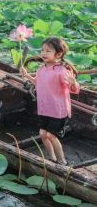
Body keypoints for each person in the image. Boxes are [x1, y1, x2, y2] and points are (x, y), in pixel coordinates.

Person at [20, 37, 79, 165]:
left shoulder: (61, 70)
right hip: (45, 108)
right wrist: (27, 76)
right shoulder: (42, 69)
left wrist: (74, 83)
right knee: (42, 134)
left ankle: (62, 161)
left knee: (51, 135)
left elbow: (73, 89)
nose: (44, 53)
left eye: (48, 51)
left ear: (58, 54)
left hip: (58, 110)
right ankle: (52, 158)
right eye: (42, 50)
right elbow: (38, 83)